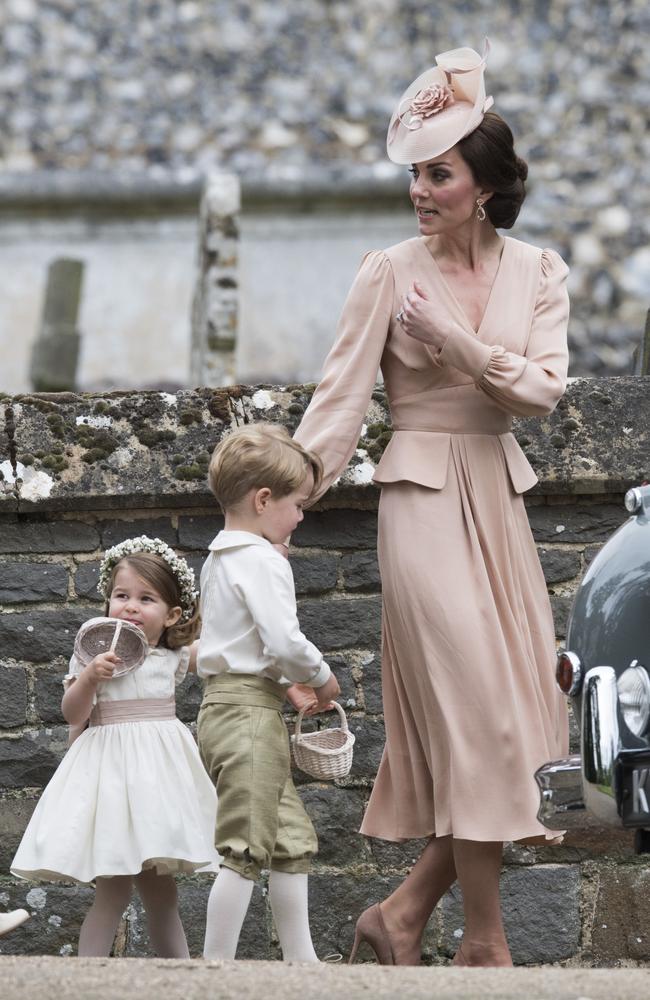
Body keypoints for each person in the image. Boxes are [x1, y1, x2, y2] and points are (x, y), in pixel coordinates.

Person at [291, 42, 570, 967]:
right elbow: (336, 406)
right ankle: (483, 942)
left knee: (517, 728)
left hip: (496, 494)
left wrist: (452, 342)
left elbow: (537, 395)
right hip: (416, 498)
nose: (420, 190)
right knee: (479, 713)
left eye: (438, 173)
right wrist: (277, 508)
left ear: (482, 185)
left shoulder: (541, 273)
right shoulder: (386, 270)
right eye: (414, 173)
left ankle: (403, 914)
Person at [11, 536, 220, 958]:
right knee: (112, 892)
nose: (130, 606)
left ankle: (178, 977)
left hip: (157, 785)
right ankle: (88, 979)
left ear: (171, 614)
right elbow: (73, 714)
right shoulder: (91, 652)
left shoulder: (172, 657)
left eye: (146, 599)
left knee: (163, 896)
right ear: (107, 601)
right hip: (110, 781)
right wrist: (89, 678)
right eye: (121, 596)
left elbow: (227, 654)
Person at [197, 423, 340, 962]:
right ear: (264, 499)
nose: (301, 516)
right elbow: (283, 639)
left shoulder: (219, 559)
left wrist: (286, 689)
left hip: (232, 707)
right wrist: (319, 677)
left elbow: (241, 641)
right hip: (247, 718)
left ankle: (302, 962)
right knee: (245, 845)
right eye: (299, 504)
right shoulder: (261, 560)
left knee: (288, 839)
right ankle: (217, 966)